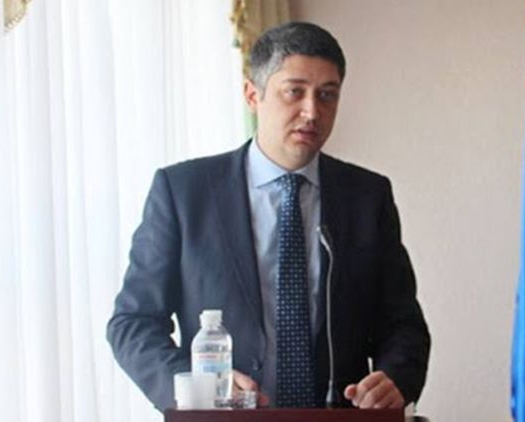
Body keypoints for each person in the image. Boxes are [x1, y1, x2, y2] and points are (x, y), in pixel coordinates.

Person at [107, 21, 430, 411]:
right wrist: (199, 387)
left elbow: (402, 324)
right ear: (252, 94)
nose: (312, 111)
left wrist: (395, 379)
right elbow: (133, 323)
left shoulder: (367, 196)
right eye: (294, 91)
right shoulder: (183, 193)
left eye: (327, 95)